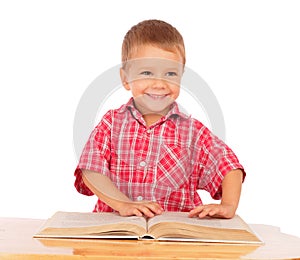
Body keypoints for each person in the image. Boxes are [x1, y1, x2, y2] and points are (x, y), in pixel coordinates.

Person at [74, 19, 245, 219]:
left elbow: (228, 165)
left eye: (170, 74)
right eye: (146, 72)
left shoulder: (192, 131)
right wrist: (123, 204)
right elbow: (91, 170)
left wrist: (228, 205)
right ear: (125, 79)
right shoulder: (111, 124)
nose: (159, 84)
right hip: (116, 233)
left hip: (173, 239)